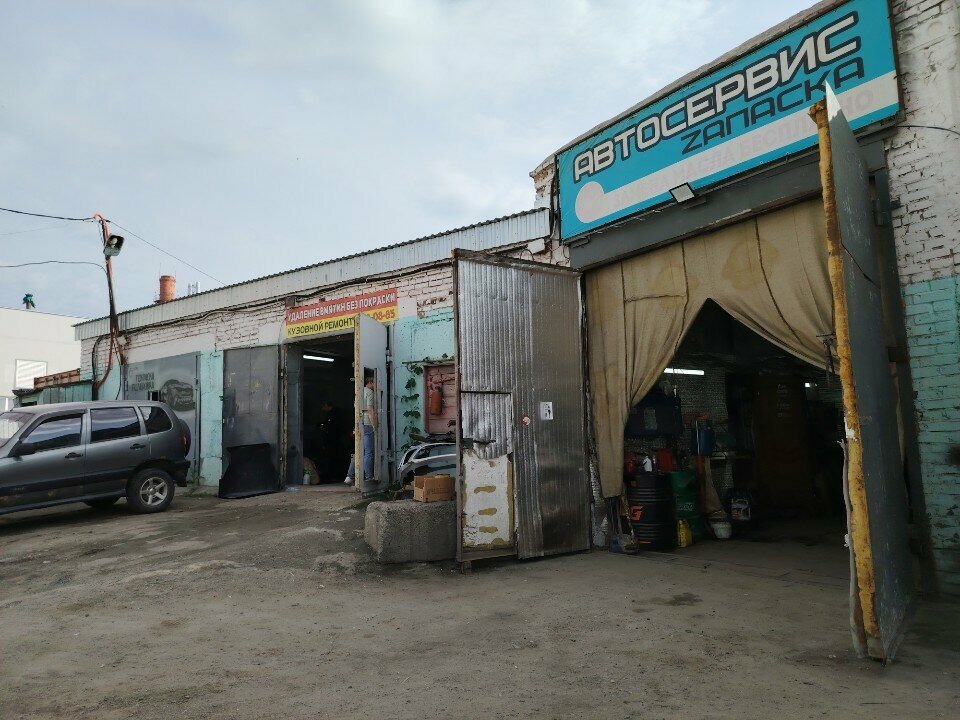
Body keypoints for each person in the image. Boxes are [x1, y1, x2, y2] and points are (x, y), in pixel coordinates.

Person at [345, 374, 377, 488]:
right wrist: (375, 426)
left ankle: (349, 476)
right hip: (367, 424)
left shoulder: (359, 391)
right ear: (371, 382)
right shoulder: (370, 392)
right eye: (376, 383)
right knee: (369, 452)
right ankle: (369, 477)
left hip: (359, 423)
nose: (377, 385)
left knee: (359, 450)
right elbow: (370, 410)